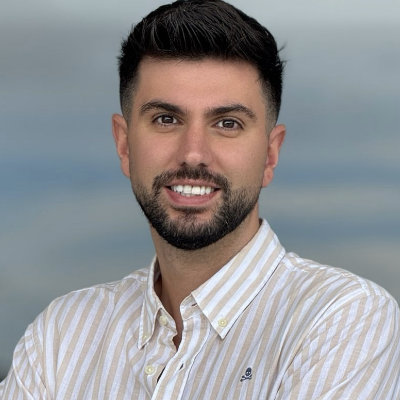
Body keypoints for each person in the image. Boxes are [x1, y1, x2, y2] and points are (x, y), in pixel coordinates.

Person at [1, 0, 399, 398]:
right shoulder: (61, 338)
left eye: (227, 123)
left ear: (270, 154)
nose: (193, 153)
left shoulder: (342, 319)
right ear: (124, 145)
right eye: (166, 119)